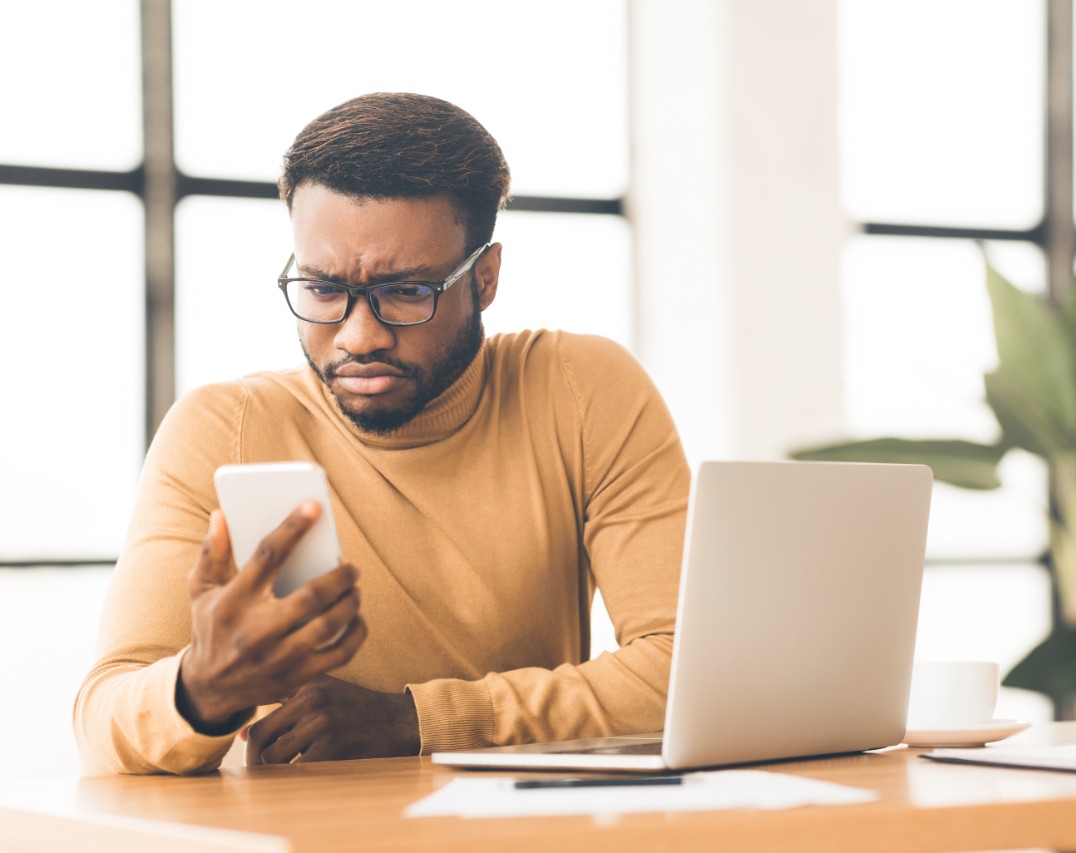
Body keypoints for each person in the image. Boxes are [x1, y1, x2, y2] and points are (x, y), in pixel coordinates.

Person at [74, 92, 690, 775]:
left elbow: (684, 673)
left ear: (484, 279)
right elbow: (103, 720)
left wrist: (418, 719)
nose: (358, 335)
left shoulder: (580, 389)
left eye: (406, 292)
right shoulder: (227, 427)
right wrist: (202, 688)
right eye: (322, 288)